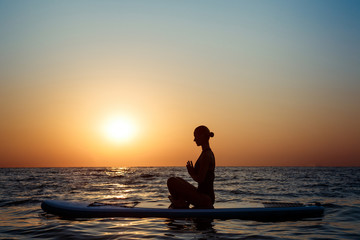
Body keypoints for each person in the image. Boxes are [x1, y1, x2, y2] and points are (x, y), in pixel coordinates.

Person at [167, 125, 215, 209]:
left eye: (196, 136)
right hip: (203, 195)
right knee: (177, 179)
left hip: (205, 199)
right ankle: (180, 202)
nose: (194, 139)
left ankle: (180, 204)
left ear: (202, 136)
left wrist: (191, 173)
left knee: (171, 181)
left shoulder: (206, 155)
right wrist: (193, 171)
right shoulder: (205, 153)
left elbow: (200, 179)